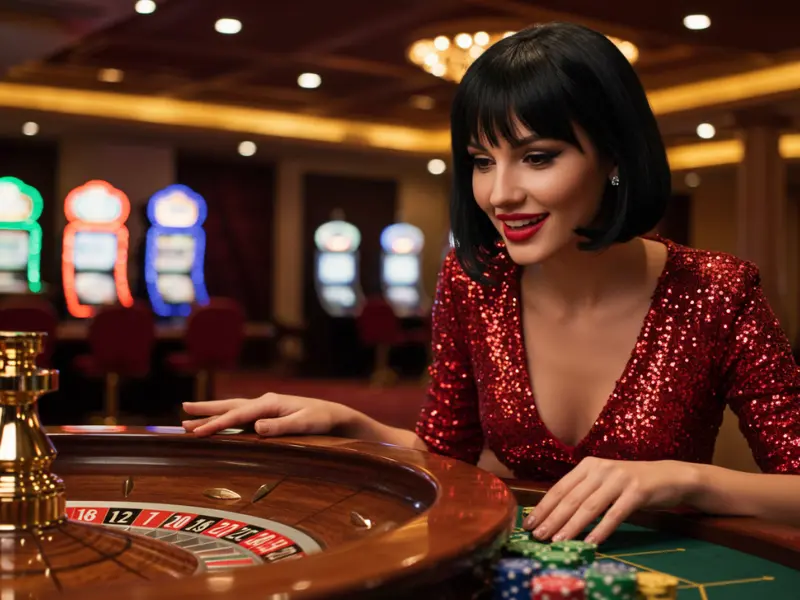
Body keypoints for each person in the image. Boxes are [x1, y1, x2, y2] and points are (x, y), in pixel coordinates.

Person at [183, 22, 800, 545]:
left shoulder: (718, 292)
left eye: (537, 157)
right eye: (482, 161)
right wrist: (357, 426)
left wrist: (680, 479)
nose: (499, 194)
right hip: (517, 560)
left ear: (615, 156)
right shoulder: (476, 278)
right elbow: (447, 456)